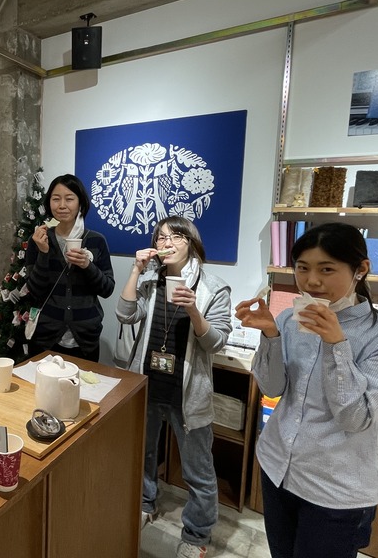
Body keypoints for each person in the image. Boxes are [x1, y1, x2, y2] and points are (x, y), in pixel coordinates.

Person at [234, 223, 378, 558]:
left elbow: (355, 418)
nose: (311, 281)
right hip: (276, 467)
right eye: (302, 268)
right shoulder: (289, 320)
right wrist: (271, 334)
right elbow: (273, 388)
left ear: (361, 269)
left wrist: (335, 344)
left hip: (335, 489)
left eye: (326, 269)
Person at [116, 216, 231, 558]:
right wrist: (136, 270)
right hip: (148, 384)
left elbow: (215, 343)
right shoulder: (151, 281)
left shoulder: (214, 288)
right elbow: (124, 315)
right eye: (161, 237)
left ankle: (196, 536)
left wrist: (194, 309)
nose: (167, 243)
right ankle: (145, 502)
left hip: (189, 393)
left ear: (191, 243)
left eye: (176, 236)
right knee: (144, 454)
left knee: (198, 470)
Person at [26, 174, 114, 362]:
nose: (62, 205)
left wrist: (87, 266)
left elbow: (107, 289)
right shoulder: (38, 240)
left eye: (69, 199)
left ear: (80, 203)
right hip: (46, 337)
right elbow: (34, 291)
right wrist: (43, 253)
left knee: (84, 381)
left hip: (85, 338)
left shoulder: (96, 240)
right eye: (56, 199)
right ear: (49, 203)